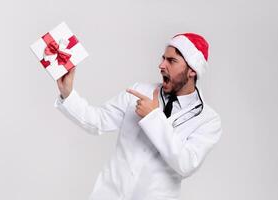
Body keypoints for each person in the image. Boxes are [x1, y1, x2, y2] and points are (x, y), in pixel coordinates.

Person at [54, 33, 222, 200]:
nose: (161, 65)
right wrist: (67, 93)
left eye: (171, 61)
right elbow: (97, 122)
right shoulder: (139, 92)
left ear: (192, 70)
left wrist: (153, 117)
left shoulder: (208, 120)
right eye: (163, 58)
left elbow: (185, 164)